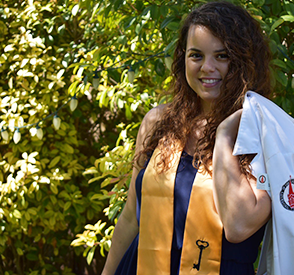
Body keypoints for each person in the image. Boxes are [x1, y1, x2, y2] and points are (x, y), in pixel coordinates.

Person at [101, 1, 272, 274]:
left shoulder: (263, 136)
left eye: (222, 55)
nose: (207, 67)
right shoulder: (159, 123)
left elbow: (239, 227)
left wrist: (225, 136)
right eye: (196, 55)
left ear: (244, 61)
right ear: (183, 59)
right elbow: (132, 218)